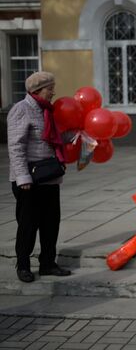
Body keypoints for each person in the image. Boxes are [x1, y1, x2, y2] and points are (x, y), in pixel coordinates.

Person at [7, 71, 72, 283]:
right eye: (50, 88)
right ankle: (23, 264)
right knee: (28, 224)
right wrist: (22, 177)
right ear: (37, 90)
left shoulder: (47, 110)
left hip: (49, 176)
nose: (53, 92)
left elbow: (53, 138)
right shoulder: (21, 109)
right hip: (29, 179)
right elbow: (16, 147)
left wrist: (74, 135)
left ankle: (47, 264)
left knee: (51, 223)